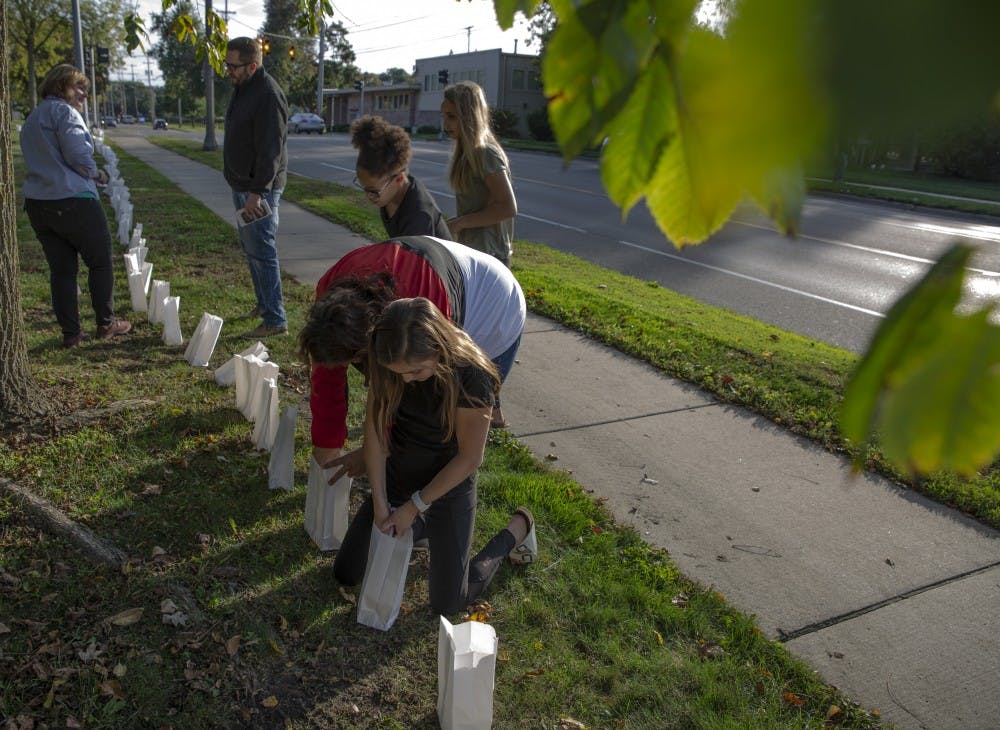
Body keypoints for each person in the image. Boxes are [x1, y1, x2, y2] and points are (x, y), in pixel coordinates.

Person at [333, 297, 536, 615]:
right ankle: (421, 529)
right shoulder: (388, 358)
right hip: (400, 473)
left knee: (449, 604)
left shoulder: (472, 376)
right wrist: (380, 503)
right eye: (397, 373)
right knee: (346, 573)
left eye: (415, 371)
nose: (405, 380)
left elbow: (469, 459)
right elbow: (374, 434)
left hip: (448, 486)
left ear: (438, 348)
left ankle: (517, 530)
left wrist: (414, 507)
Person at [298, 235, 526, 476]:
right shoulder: (329, 298)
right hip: (437, 274)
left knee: (443, 429)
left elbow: (410, 400)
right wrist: (326, 442)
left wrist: (376, 452)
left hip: (496, 306)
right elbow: (327, 375)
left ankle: (438, 498)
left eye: (355, 361)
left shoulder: (420, 309)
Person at [20, 64, 131, 349]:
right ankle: (106, 324)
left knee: (62, 271)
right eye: (78, 87)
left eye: (86, 89)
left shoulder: (33, 117)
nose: (83, 94)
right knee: (100, 261)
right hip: (73, 199)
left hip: (39, 203)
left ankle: (71, 333)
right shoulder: (65, 112)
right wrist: (97, 174)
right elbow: (77, 155)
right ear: (60, 86)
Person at [223, 36, 289, 338]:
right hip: (243, 185)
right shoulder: (244, 87)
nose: (228, 71)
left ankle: (275, 319)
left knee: (262, 250)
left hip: (258, 190)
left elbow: (271, 149)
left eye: (233, 66)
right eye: (226, 64)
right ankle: (264, 305)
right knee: (252, 249)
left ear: (252, 65)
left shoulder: (267, 94)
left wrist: (257, 193)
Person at [440, 81, 517, 266]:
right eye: (444, 116)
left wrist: (460, 223)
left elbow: (508, 207)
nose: (446, 123)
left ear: (468, 116)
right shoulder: (466, 154)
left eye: (451, 116)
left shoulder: (486, 153)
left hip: (491, 256)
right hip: (472, 251)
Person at [351, 115, 450, 239]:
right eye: (364, 188)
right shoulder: (390, 195)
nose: (368, 196)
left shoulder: (418, 217)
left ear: (399, 179)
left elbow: (416, 257)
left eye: (373, 191)